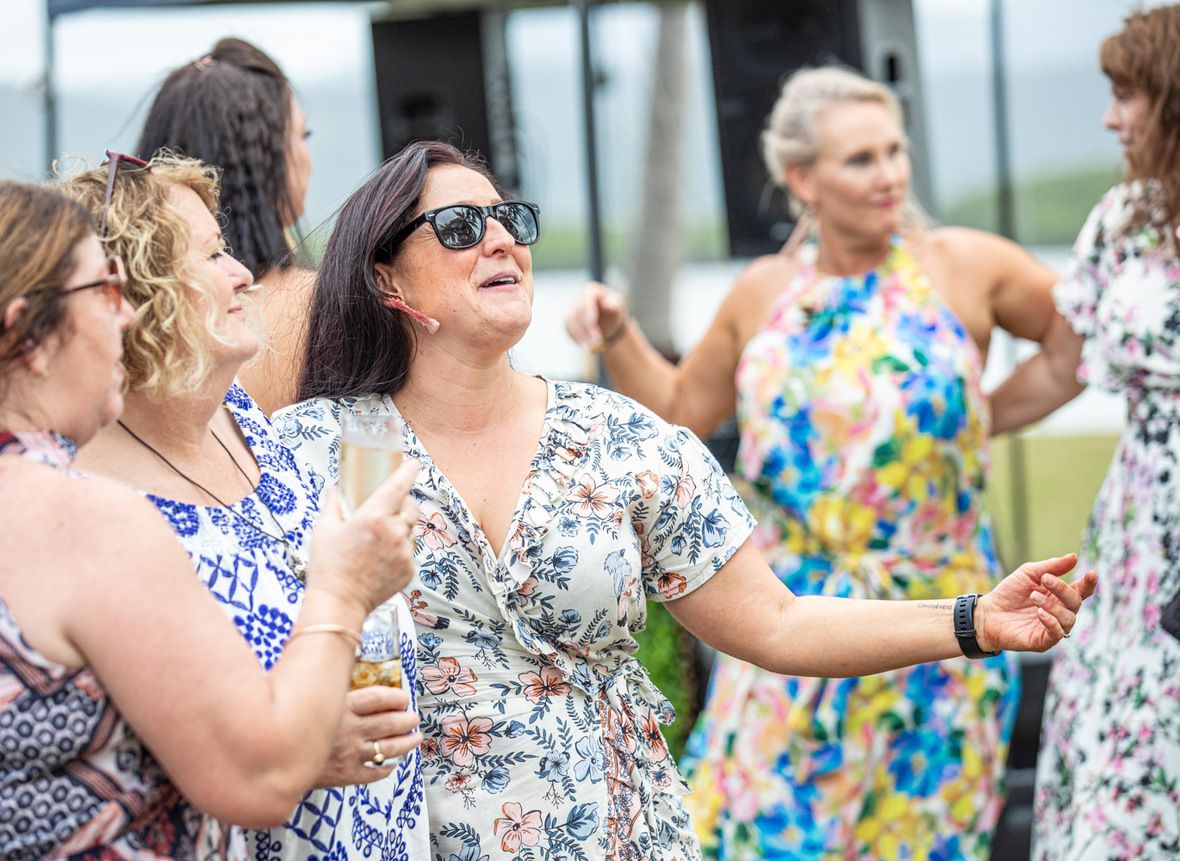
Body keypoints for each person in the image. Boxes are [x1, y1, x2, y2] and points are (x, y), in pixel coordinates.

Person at [274, 139, 1095, 861]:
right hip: (408, 834)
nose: (499, 240)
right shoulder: (322, 451)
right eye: (459, 227)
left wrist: (974, 619)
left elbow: (777, 621)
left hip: (620, 832)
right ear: (385, 274)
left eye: (510, 220)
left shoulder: (617, 437)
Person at [562, 65, 1068, 858]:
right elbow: (681, 410)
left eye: (895, 150)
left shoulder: (965, 265)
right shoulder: (761, 292)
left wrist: (983, 416)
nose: (890, 174)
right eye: (861, 159)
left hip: (944, 631)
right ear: (802, 178)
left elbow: (1080, 341)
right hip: (795, 628)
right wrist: (618, 330)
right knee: (749, 836)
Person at [0, 179, 415, 857]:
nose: (128, 316)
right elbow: (259, 778)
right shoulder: (78, 517)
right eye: (103, 292)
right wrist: (342, 589)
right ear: (28, 337)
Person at [58, 151, 429, 861]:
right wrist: (299, 748)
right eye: (212, 255)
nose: (243, 275)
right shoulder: (91, 497)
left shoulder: (242, 414)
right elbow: (98, 753)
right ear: (137, 290)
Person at [988, 5, 1180, 857]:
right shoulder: (1125, 217)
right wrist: (954, 430)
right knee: (1128, 754)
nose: (1109, 118)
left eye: (1127, 95)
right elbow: (1060, 368)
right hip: (1140, 530)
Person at [138, 37, 314, 415]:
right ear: (268, 159)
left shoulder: (142, 322)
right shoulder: (328, 305)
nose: (307, 155)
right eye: (303, 136)